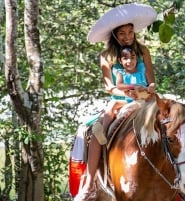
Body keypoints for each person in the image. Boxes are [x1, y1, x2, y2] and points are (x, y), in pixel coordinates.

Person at [73, 3, 157, 201]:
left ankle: (178, 181)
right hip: (119, 100)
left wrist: (149, 89)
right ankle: (90, 181)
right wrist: (128, 90)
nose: (127, 37)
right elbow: (109, 86)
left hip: (144, 100)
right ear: (114, 35)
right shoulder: (106, 56)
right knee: (97, 131)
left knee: (173, 126)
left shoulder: (143, 51)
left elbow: (152, 80)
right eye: (122, 34)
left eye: (130, 32)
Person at [101, 45, 155, 136]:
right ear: (120, 61)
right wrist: (132, 86)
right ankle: (104, 132)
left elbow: (151, 84)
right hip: (128, 99)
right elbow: (119, 85)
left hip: (142, 99)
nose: (129, 61)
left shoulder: (142, 70)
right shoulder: (120, 73)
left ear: (136, 59)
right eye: (125, 58)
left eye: (132, 58)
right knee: (112, 104)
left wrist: (148, 88)